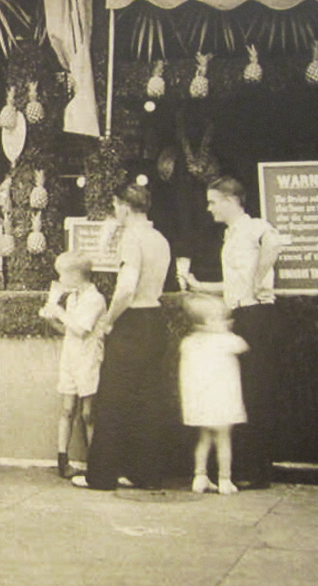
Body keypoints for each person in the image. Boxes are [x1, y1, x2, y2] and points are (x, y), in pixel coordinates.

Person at [178, 176, 289, 489]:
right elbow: (234, 285)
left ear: (229, 200)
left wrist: (258, 278)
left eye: (213, 201)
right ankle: (244, 468)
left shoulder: (253, 226)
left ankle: (258, 470)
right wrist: (202, 287)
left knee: (256, 391)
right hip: (242, 312)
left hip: (258, 315)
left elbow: (274, 243)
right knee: (244, 392)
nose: (209, 208)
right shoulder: (231, 234)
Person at [73, 182, 172, 491]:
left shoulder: (132, 237)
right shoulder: (159, 238)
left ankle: (101, 476)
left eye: (116, 206)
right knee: (148, 400)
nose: (114, 212)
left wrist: (108, 320)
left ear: (125, 207)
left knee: (113, 400)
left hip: (132, 322)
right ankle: (144, 472)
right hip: (155, 319)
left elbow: (127, 287)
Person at [38, 250, 107, 478]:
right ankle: (62, 460)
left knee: (88, 413)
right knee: (67, 409)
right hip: (71, 358)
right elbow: (68, 330)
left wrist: (58, 310)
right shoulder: (74, 297)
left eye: (63, 275)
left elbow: (80, 328)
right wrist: (52, 318)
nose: (60, 280)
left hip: (88, 360)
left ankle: (96, 462)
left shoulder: (95, 299)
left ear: (76, 275)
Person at [178, 293, 249, 495]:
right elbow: (242, 346)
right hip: (222, 402)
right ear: (210, 322)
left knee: (204, 439)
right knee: (224, 440)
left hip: (200, 404)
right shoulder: (224, 341)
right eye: (223, 319)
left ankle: (199, 476)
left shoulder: (189, 343)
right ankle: (225, 478)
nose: (229, 322)